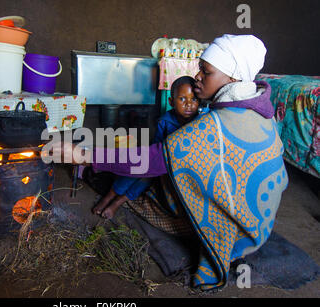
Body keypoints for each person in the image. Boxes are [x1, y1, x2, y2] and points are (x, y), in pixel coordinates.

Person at [60, 34, 287, 291]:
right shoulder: (259, 112)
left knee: (159, 182)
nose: (198, 76)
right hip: (261, 221)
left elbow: (152, 161)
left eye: (206, 71)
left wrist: (86, 155)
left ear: (232, 77)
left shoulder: (214, 125)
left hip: (237, 231)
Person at [92, 76, 207, 219]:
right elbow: (155, 147)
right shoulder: (165, 122)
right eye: (182, 99)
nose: (189, 104)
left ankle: (119, 202)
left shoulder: (200, 122)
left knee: (145, 180)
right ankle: (109, 197)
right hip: (159, 160)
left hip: (177, 167)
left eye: (194, 99)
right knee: (136, 170)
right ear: (171, 102)